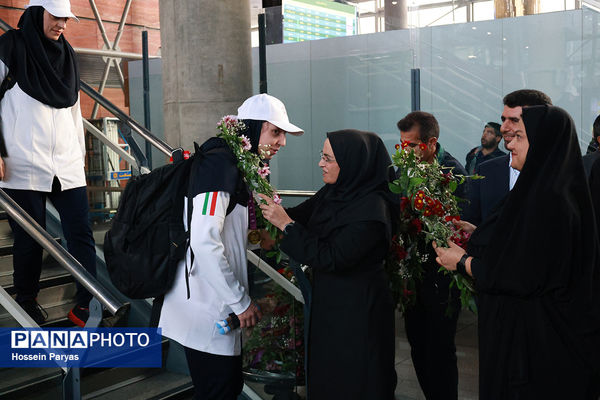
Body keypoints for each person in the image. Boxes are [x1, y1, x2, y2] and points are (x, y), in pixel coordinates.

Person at [434, 105, 600, 399]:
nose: (508, 141)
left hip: (539, 350)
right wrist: (482, 234)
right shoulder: (540, 190)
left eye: (519, 136)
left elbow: (523, 275)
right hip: (522, 339)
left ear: (543, 144)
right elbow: (522, 245)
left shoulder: (553, 203)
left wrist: (462, 261)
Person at [158, 93, 303, 400]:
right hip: (206, 305)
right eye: (275, 132)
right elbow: (203, 239)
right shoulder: (220, 164)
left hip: (215, 302)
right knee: (219, 389)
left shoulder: (235, 163)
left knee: (222, 388)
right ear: (251, 128)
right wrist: (240, 302)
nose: (282, 142)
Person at [258, 129, 397, 400]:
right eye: (322, 156)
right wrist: (268, 209)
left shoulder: (372, 211)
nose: (321, 163)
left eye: (328, 158)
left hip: (358, 312)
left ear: (353, 163)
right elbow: (302, 216)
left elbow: (332, 256)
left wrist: (284, 225)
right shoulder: (334, 192)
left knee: (355, 379)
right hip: (331, 305)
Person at [0, 0, 98, 327]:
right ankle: (26, 301)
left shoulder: (68, 55)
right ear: (37, 12)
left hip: (66, 163)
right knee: (29, 238)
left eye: (66, 19)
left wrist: (79, 158)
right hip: (22, 163)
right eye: (56, 17)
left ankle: (88, 304)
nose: (62, 26)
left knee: (81, 234)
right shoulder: (11, 46)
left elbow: (74, 112)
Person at [464, 89, 552, 226]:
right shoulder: (485, 171)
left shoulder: (560, 177)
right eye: (503, 120)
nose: (504, 127)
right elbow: (471, 223)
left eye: (514, 120)